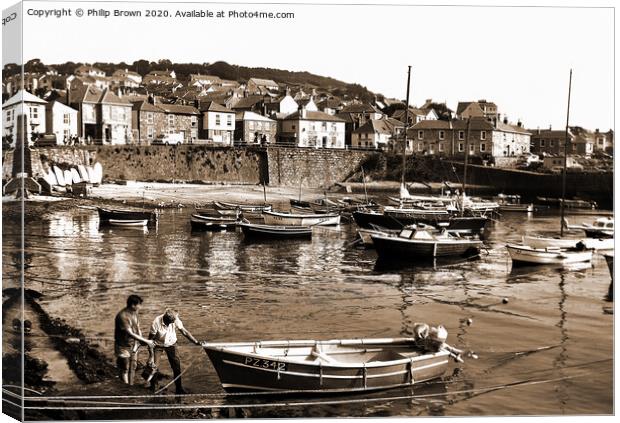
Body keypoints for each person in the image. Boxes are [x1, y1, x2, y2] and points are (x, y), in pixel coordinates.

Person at [147, 309, 201, 394]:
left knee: (176, 366)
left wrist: (196, 342)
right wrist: (151, 356)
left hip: (172, 344)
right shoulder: (156, 322)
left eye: (174, 322)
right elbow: (149, 341)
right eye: (171, 322)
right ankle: (153, 387)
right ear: (166, 320)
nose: (173, 323)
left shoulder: (175, 320)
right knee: (153, 366)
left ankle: (179, 389)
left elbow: (185, 332)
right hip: (158, 345)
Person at [114, 295, 154, 384]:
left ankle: (130, 384)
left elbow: (137, 328)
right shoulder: (122, 316)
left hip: (133, 345)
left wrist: (141, 340)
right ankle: (125, 387)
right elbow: (130, 333)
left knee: (133, 366)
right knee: (125, 367)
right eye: (139, 304)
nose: (140, 306)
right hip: (123, 346)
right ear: (133, 305)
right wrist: (147, 341)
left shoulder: (135, 313)